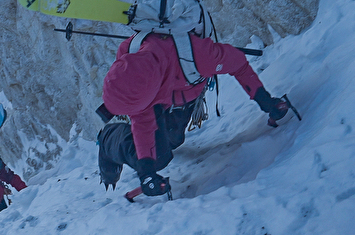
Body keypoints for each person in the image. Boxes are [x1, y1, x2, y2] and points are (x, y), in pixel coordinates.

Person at [97, 31, 292, 196]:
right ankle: (108, 139)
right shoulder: (129, 62)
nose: (133, 115)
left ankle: (150, 137)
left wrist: (266, 101)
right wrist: (146, 171)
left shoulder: (199, 57)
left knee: (173, 140)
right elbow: (142, 122)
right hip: (168, 95)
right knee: (157, 158)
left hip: (181, 90)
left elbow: (238, 63)